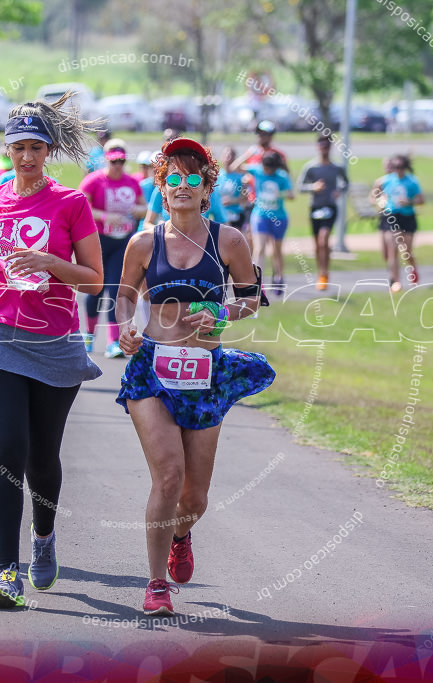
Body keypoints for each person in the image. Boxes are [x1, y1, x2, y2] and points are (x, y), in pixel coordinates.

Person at [0, 93, 104, 609]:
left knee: (43, 460)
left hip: (56, 344)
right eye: (18, 147)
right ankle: (6, 574)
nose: (26, 156)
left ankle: (43, 538)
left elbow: (94, 280)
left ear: (50, 149)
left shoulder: (71, 203)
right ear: (8, 150)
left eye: (36, 146)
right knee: (5, 456)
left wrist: (49, 261)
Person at [114, 138, 275, 617]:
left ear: (207, 189)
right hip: (153, 371)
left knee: (195, 495)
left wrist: (223, 311)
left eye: (193, 178)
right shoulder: (144, 243)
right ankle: (156, 583)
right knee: (168, 476)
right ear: (161, 188)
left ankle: (180, 535)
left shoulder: (229, 241)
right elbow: (124, 297)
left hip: (205, 372)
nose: (182, 186)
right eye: (173, 179)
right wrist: (125, 326)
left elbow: (251, 299)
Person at [78, 138, 147, 357]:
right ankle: (88, 336)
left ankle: (113, 341)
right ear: (106, 159)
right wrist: (106, 215)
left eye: (121, 161)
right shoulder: (93, 181)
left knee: (117, 289)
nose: (118, 165)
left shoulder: (132, 182)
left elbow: (144, 208)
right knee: (96, 288)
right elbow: (81, 207)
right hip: (98, 240)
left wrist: (137, 210)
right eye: (113, 161)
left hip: (122, 242)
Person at [235, 150, 294, 292]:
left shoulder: (281, 176)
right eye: (265, 168)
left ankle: (279, 277)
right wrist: (248, 153)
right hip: (260, 215)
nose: (267, 171)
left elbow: (291, 195)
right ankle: (256, 281)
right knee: (259, 248)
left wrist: (279, 194)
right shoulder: (257, 170)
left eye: (270, 169)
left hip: (279, 217)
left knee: (276, 250)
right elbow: (235, 167)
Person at [297, 134, 349, 291]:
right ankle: (321, 272)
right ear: (317, 147)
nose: (324, 148)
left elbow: (346, 182)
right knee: (318, 244)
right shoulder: (311, 167)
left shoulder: (337, 167)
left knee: (323, 239)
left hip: (330, 207)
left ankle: (324, 273)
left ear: (330, 147)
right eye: (321, 145)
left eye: (327, 145)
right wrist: (312, 187)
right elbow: (300, 186)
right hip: (315, 208)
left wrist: (339, 191)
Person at [374, 154, 424, 292]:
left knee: (406, 251)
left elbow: (421, 200)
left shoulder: (412, 182)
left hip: (407, 217)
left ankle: (413, 269)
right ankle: (395, 281)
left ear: (405, 168)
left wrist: (409, 202)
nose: (398, 170)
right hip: (391, 215)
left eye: (401, 167)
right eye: (396, 167)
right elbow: (375, 195)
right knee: (393, 248)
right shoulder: (386, 181)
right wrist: (380, 201)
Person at [219, 147, 251, 253]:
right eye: (226, 155)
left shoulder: (240, 177)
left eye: (231, 155)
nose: (228, 158)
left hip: (236, 214)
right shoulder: (218, 176)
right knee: (221, 245)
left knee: (237, 244)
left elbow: (246, 197)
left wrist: (232, 201)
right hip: (221, 215)